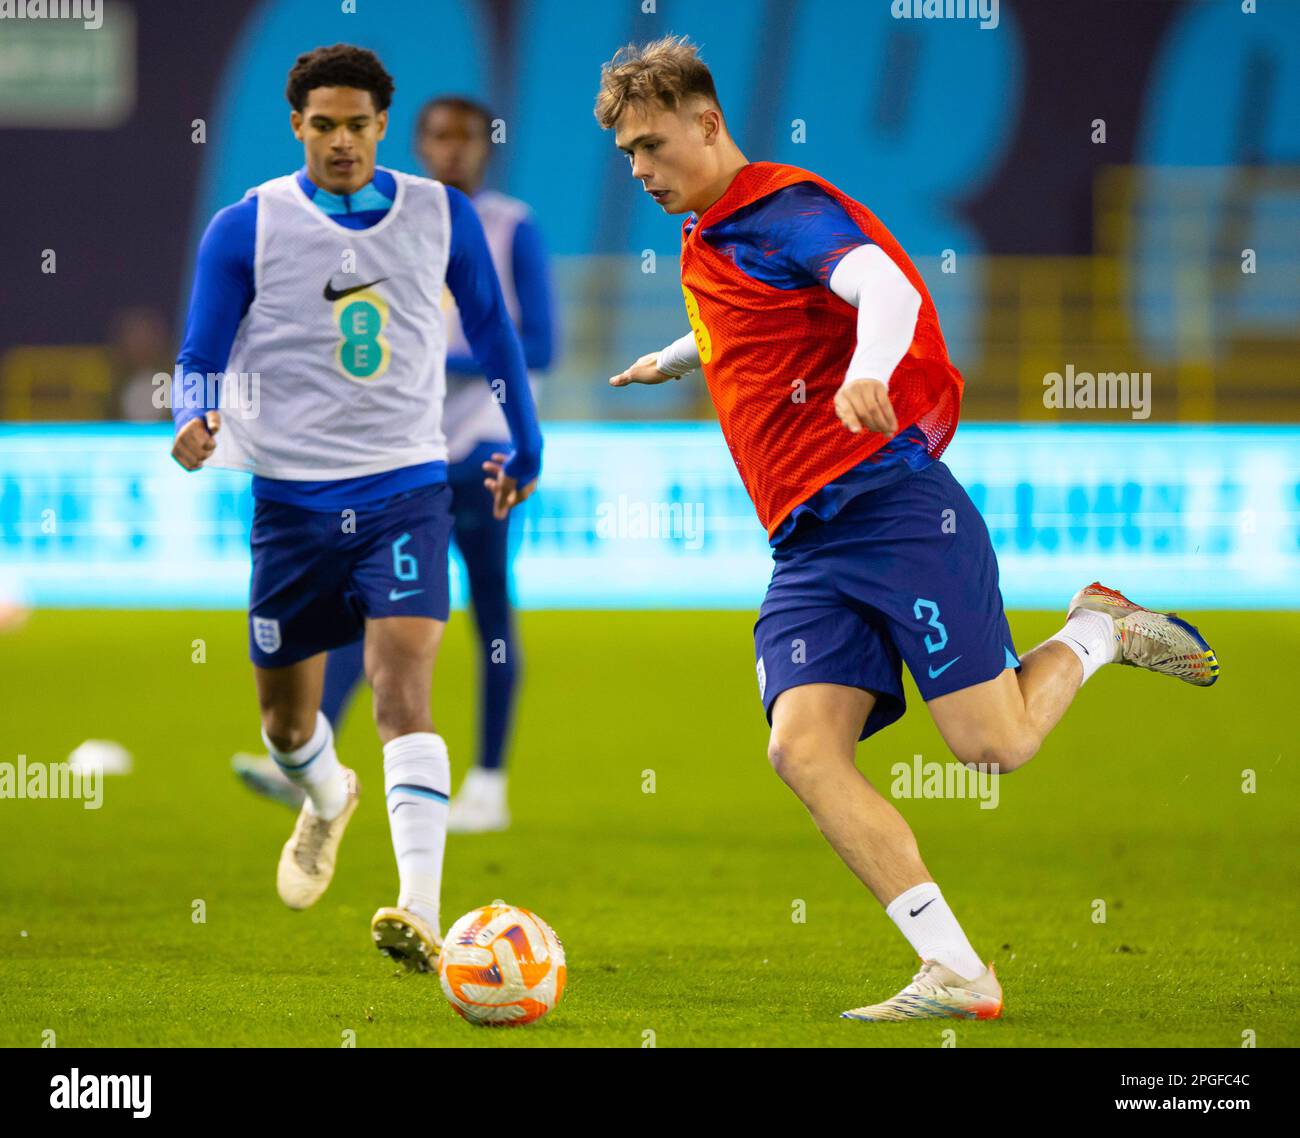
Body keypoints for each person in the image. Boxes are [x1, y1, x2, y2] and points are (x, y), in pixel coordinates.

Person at [597, 35, 1219, 1022]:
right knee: (800, 748)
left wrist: (868, 367)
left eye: (648, 145)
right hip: (808, 542)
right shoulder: (715, 231)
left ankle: (1097, 628)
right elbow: (749, 321)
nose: (636, 170)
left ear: (707, 124)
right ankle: (957, 969)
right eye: (625, 153)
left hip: (890, 511)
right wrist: (673, 359)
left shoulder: (782, 209)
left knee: (991, 747)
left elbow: (878, 285)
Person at [173, 44, 542, 971]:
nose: (342, 141)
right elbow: (198, 356)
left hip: (404, 488)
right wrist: (191, 415)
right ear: (298, 125)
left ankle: (420, 905)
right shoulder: (245, 226)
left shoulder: (440, 214)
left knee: (401, 687)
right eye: (324, 125)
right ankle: (327, 795)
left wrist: (528, 440)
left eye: (359, 125)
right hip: (291, 502)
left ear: (384, 126)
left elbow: (496, 330)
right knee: (288, 726)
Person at [233, 94, 556, 834]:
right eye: (440, 138)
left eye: (468, 139)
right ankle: (318, 758)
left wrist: (432, 358)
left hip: (477, 451)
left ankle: (491, 780)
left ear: (487, 146)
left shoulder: (509, 227)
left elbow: (538, 345)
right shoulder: (395, 223)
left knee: (491, 610)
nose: (453, 151)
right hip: (394, 454)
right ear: (415, 142)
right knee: (365, 614)